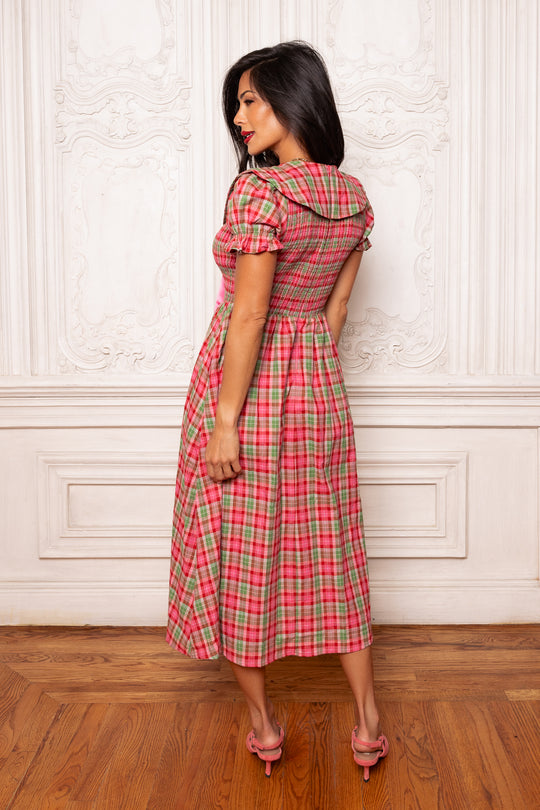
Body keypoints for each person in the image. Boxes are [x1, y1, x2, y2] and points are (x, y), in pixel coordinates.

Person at [167, 40, 388, 781]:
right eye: (237, 103)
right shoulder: (352, 197)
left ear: (294, 101)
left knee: (237, 552)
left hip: (247, 389)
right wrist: (308, 376)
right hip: (317, 387)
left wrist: (228, 419)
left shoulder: (261, 193)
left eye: (251, 100)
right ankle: (368, 725)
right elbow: (336, 311)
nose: (239, 118)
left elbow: (251, 314)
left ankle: (264, 728)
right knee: (332, 552)